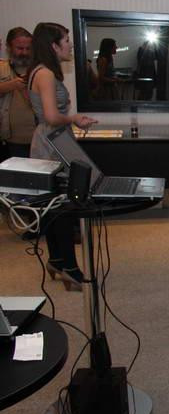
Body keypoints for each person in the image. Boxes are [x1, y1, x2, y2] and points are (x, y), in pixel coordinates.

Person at [27, 22, 97, 290]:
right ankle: (69, 267)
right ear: (54, 46)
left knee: (53, 205)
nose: (70, 45)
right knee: (64, 204)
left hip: (48, 139)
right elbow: (52, 116)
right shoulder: (45, 74)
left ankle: (57, 260)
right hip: (52, 143)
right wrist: (74, 118)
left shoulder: (38, 71)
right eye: (66, 40)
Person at [0, 27, 35, 160]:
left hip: (39, 139)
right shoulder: (1, 68)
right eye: (19, 48)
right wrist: (10, 85)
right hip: (9, 140)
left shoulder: (39, 69)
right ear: (9, 48)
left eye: (28, 48)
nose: (24, 52)